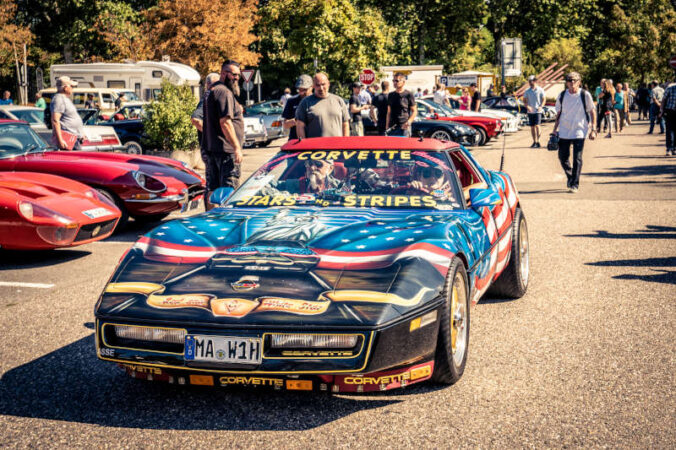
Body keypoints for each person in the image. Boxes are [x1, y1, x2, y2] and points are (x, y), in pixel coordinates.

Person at [203, 60, 244, 208]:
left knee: (213, 189)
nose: (237, 78)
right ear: (223, 73)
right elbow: (225, 122)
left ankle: (210, 219)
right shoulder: (224, 92)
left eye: (238, 75)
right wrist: (236, 147)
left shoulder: (212, 90)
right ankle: (227, 222)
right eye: (234, 75)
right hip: (226, 152)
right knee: (229, 190)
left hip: (214, 149)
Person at [552, 72, 597, 193]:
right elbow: (559, 114)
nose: (572, 82)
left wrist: (593, 129)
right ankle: (570, 176)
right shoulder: (562, 95)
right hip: (564, 131)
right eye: (569, 80)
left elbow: (592, 112)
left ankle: (575, 184)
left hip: (580, 130)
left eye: (575, 80)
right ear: (566, 83)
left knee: (577, 157)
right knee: (562, 157)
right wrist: (554, 130)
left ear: (579, 82)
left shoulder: (585, 94)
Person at [295, 72, 350, 138]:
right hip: (315, 147)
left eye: (323, 84)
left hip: (337, 146)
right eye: (317, 85)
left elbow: (345, 124)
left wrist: (345, 143)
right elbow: (300, 125)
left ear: (328, 84)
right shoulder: (305, 102)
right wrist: (303, 145)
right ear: (313, 86)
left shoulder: (339, 101)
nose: (321, 88)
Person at [191, 72, 220, 165]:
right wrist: (211, 134)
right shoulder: (207, 99)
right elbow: (195, 119)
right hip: (209, 149)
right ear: (208, 85)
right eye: (216, 84)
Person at [50, 76, 85, 150]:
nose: (73, 88)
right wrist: (60, 141)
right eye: (71, 86)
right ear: (65, 88)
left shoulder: (64, 99)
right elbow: (55, 121)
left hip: (74, 139)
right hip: (68, 141)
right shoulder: (59, 99)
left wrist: (81, 133)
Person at [281, 74, 312, 141]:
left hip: (313, 140)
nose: (301, 93)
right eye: (299, 90)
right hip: (295, 141)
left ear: (311, 87)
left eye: (304, 90)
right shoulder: (292, 101)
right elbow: (285, 125)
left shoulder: (317, 101)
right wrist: (296, 121)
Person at [386, 72, 417, 137]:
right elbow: (389, 112)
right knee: (392, 147)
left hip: (404, 127)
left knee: (404, 147)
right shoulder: (391, 95)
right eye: (393, 80)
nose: (394, 82)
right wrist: (387, 126)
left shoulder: (408, 94)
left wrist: (408, 122)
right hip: (392, 127)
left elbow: (415, 111)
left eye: (397, 80)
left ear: (403, 82)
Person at [523, 75, 546, 147]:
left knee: (537, 125)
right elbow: (524, 100)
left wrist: (541, 106)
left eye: (531, 81)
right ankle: (534, 141)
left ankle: (538, 141)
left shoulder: (540, 90)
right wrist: (527, 106)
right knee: (532, 127)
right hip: (530, 111)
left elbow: (544, 99)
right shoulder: (527, 91)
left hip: (538, 111)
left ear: (535, 81)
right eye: (529, 81)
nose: (530, 82)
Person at [659, 76, 676, 156]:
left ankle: (674, 148)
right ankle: (669, 148)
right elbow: (663, 100)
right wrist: (661, 110)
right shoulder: (670, 88)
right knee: (669, 130)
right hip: (670, 111)